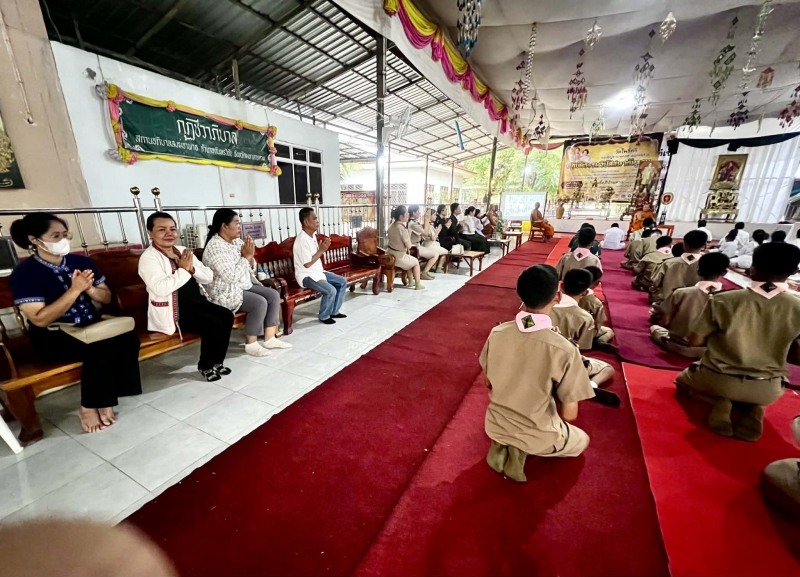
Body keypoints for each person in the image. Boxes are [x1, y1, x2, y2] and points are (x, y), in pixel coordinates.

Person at [9, 213, 142, 434]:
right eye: (55, 236)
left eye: (65, 234)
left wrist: (90, 289)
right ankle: (89, 406)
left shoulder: (81, 262)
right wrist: (75, 290)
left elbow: (106, 297)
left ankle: (107, 397)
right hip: (52, 334)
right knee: (99, 348)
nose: (63, 240)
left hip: (89, 325)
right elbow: (39, 319)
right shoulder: (25, 273)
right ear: (34, 240)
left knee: (127, 339)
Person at [480, 264, 596, 482]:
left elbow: (488, 382)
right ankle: (521, 448)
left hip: (496, 423)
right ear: (557, 296)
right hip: (537, 431)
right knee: (582, 440)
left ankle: (502, 444)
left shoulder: (497, 332)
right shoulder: (564, 349)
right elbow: (569, 414)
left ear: (521, 294)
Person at [675, 243, 800, 441]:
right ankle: (752, 408)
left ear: (752, 268)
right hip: (766, 388)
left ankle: (718, 402)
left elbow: (694, 340)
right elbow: (797, 357)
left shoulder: (724, 300)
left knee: (682, 382)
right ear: (794, 272)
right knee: (755, 394)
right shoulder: (797, 307)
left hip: (717, 379)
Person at [139, 212, 234, 382]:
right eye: (162, 229)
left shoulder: (183, 251)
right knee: (213, 324)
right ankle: (205, 366)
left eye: (172, 229)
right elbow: (161, 288)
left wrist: (192, 269)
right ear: (150, 232)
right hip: (174, 311)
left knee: (227, 315)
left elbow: (208, 276)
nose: (169, 233)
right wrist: (184, 270)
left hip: (196, 302)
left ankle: (217, 362)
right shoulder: (149, 258)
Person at [202, 208, 290, 358]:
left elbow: (251, 265)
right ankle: (251, 343)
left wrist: (250, 258)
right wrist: (246, 258)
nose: (239, 227)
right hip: (226, 292)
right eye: (236, 223)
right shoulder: (216, 247)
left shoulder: (236, 241)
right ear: (224, 226)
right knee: (259, 302)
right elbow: (231, 277)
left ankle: (270, 338)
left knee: (273, 295)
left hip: (242, 285)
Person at [650, 253, 729, 359]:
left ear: (698, 271)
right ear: (724, 273)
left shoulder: (681, 292)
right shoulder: (729, 299)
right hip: (708, 347)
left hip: (679, 341)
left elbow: (665, 322)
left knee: (655, 328)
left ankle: (679, 346)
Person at [293, 207, 348, 323]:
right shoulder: (302, 240)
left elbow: (313, 258)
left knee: (342, 281)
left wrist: (321, 249)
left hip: (318, 272)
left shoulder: (311, 236)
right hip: (306, 275)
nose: (317, 221)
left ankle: (334, 311)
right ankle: (324, 316)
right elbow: (307, 264)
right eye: (314, 218)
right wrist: (321, 250)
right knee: (330, 290)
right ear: (306, 222)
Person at [649, 229, 707, 307]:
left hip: (668, 304)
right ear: (704, 246)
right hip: (695, 306)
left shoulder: (668, 263)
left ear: (684, 244)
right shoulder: (709, 264)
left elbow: (655, 282)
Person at [387, 205, 425, 290]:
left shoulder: (391, 225)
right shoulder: (401, 228)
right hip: (399, 257)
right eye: (406, 214)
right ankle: (418, 284)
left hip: (389, 254)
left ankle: (411, 281)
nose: (408, 215)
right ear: (401, 216)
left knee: (409, 258)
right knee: (415, 262)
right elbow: (409, 246)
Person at [408, 206, 448, 278]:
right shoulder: (413, 223)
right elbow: (426, 233)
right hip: (414, 247)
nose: (419, 213)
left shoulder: (415, 222)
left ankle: (428, 270)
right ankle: (425, 272)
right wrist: (426, 219)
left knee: (440, 252)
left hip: (418, 245)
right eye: (418, 211)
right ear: (413, 213)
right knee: (436, 254)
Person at [579, 266, 615, 347]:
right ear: (597, 283)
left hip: (562, 329)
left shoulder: (563, 294)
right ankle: (600, 340)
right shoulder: (595, 303)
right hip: (585, 333)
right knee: (609, 331)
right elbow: (597, 325)